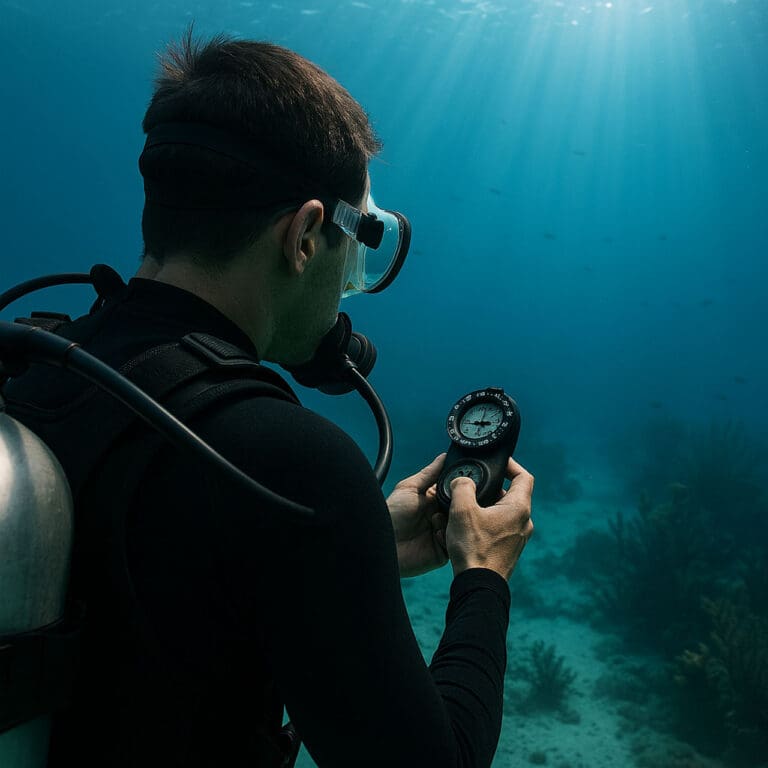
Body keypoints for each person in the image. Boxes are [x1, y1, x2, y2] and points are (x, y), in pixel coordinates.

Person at [3, 28, 534, 768]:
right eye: (358, 253)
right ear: (307, 235)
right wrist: (482, 577)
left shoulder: (33, 368)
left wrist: (357, 545)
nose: (351, 289)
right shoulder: (289, 463)